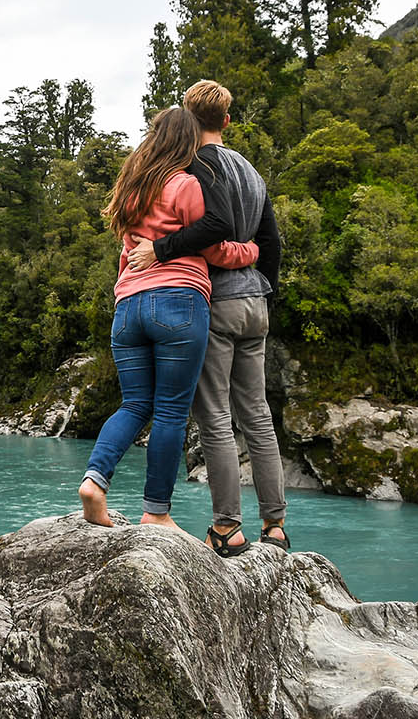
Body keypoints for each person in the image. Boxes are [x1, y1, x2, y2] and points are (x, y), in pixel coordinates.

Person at [125, 80, 288, 556]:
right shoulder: (252, 172)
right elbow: (272, 244)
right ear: (227, 121)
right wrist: (264, 291)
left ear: (189, 123)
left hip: (213, 300)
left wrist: (159, 250)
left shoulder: (193, 167)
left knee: (215, 416)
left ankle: (226, 528)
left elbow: (205, 229)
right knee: (257, 415)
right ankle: (275, 525)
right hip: (255, 301)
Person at [79, 107, 257, 533]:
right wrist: (251, 252)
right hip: (178, 302)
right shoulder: (185, 184)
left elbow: (128, 253)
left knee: (135, 404)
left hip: (128, 308)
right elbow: (212, 247)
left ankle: (94, 481)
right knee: (172, 411)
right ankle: (156, 512)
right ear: (186, 141)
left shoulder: (131, 191)